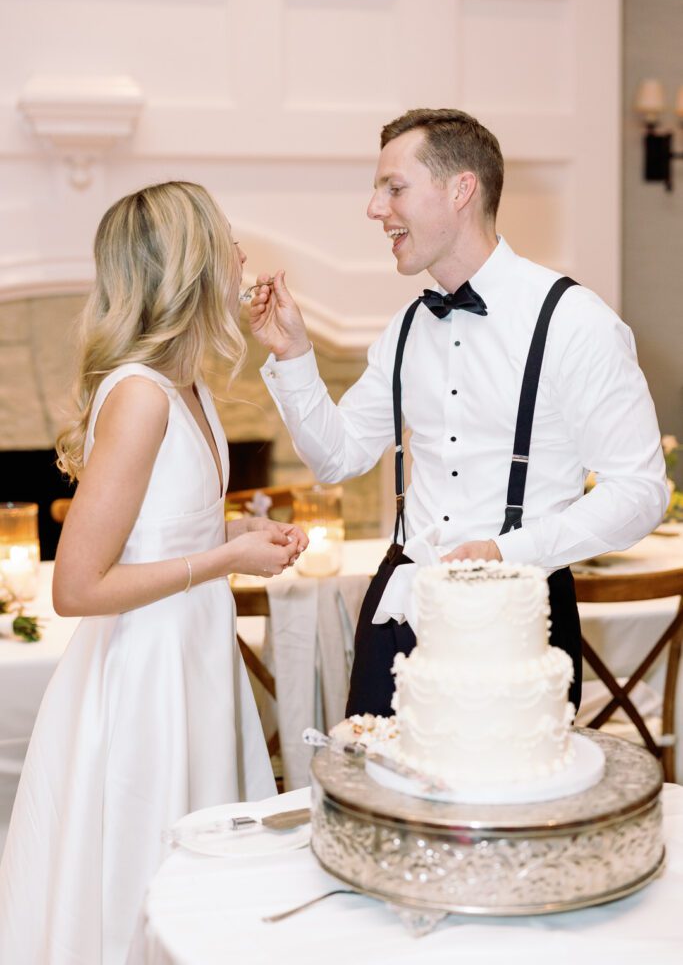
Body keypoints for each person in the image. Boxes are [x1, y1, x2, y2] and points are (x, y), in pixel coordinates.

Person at [248, 108, 668, 718]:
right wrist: (293, 355)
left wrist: (508, 552)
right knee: (378, 802)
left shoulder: (576, 323)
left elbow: (640, 492)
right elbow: (336, 458)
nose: (374, 208)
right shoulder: (407, 326)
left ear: (460, 189)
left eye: (394, 188)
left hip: (517, 617)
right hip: (399, 609)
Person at [0, 181, 307, 964]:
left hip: (194, 658)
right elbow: (76, 588)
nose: (242, 254)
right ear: (192, 264)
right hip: (146, 679)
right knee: (147, 879)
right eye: (227, 239)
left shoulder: (190, 386)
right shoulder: (140, 395)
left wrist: (232, 530)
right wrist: (224, 559)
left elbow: (160, 534)